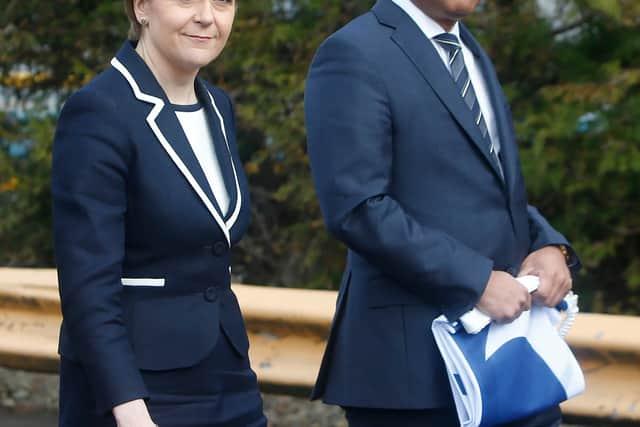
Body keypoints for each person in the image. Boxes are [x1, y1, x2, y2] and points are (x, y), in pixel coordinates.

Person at [304, 0, 580, 426]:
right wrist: (475, 281)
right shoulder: (353, 52)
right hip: (412, 378)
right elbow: (358, 208)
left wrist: (547, 243)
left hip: (512, 361)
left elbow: (485, 189)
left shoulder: (467, 47)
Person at [51, 1, 266, 426]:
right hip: (137, 391)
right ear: (142, 6)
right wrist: (130, 410)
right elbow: (88, 289)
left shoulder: (218, 107)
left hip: (227, 380)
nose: (207, 16)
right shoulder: (98, 112)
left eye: (222, 1)